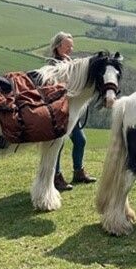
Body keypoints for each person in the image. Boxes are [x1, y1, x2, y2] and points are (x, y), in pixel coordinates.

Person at [49, 31, 96, 191]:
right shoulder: (52, 65)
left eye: (72, 46)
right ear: (58, 46)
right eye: (68, 46)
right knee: (58, 145)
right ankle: (55, 177)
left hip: (71, 112)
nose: (71, 49)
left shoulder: (69, 62)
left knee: (80, 141)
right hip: (58, 112)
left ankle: (78, 172)